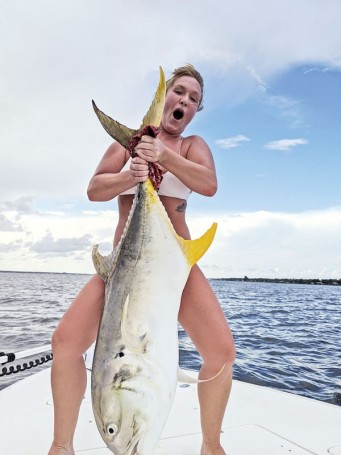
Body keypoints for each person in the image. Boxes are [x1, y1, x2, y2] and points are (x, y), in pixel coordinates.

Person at [49, 64, 236, 455]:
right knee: (65, 341)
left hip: (175, 268)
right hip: (122, 270)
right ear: (165, 97)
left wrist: (163, 156)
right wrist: (131, 176)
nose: (184, 100)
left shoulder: (191, 145)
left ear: (197, 110)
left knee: (221, 353)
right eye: (178, 91)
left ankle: (211, 446)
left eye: (193, 98)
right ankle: (61, 446)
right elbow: (94, 189)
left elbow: (209, 184)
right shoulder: (127, 144)